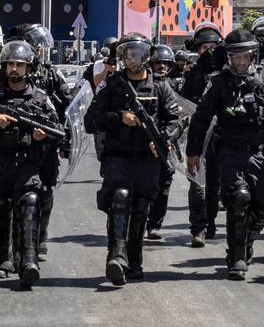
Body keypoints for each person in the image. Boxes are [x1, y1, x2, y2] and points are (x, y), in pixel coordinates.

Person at [186, 29, 264, 281]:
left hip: (260, 150)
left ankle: (245, 241)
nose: (241, 61)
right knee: (238, 199)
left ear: (252, 55)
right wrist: (193, 153)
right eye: (236, 56)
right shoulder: (219, 82)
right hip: (229, 150)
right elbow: (201, 119)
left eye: (245, 56)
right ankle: (236, 258)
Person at [84, 33, 181, 284]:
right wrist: (118, 117)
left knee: (141, 208)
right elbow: (90, 121)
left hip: (148, 159)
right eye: (129, 53)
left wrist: (163, 139)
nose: (134, 58)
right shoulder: (112, 85)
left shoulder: (161, 86)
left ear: (147, 55)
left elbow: (175, 120)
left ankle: (134, 261)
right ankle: (116, 255)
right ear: (122, 57)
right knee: (119, 199)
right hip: (118, 156)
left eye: (138, 53)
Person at [0, 40, 62, 289]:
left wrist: (43, 135)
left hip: (27, 162)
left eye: (20, 65)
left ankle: (29, 260)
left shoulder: (40, 98)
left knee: (30, 204)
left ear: (28, 68)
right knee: (0, 208)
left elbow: (58, 129)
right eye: (11, 64)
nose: (15, 69)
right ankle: (2, 260)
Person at [21, 23, 74, 262]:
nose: (39, 50)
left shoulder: (51, 73)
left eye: (40, 46)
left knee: (45, 190)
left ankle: (40, 236)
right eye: (34, 45)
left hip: (46, 143)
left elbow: (70, 105)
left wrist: (67, 141)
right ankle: (17, 244)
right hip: (18, 143)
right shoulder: (11, 71)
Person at [181, 21, 224, 247]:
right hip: (199, 133)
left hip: (222, 135)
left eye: (213, 47)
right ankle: (198, 228)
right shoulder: (193, 74)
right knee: (197, 182)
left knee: (215, 183)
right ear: (197, 49)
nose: (208, 52)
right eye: (204, 47)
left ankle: (211, 223)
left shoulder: (226, 73)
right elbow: (181, 102)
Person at [146, 43, 180, 239]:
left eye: (166, 63)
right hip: (143, 143)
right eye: (158, 63)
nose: (162, 67)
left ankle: (154, 225)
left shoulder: (175, 85)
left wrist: (168, 136)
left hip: (166, 142)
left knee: (164, 184)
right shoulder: (144, 83)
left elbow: (179, 117)